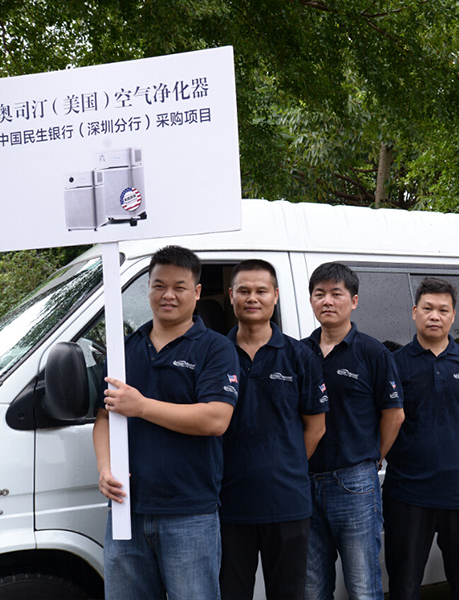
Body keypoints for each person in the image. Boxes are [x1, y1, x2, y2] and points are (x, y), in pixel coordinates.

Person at [93, 245, 239, 600]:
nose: (168, 295)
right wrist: (105, 468)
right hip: (127, 510)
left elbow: (216, 419)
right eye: (159, 285)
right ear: (148, 288)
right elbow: (104, 416)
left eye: (179, 287)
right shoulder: (125, 348)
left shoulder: (215, 348)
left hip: (189, 512)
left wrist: (142, 406)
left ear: (197, 292)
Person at [220, 259, 329, 600]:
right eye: (244, 291)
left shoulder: (299, 356)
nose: (252, 298)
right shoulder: (215, 353)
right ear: (231, 295)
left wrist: (286, 463)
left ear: (276, 296)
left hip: (287, 503)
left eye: (261, 291)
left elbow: (316, 426)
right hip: (227, 504)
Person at [382, 276, 459, 600]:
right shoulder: (394, 364)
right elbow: (386, 420)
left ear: (453, 315)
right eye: (428, 308)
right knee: (404, 586)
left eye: (443, 310)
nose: (435, 316)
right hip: (407, 494)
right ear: (414, 312)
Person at [302, 262, 405, 600]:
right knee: (312, 587)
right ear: (311, 300)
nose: (327, 301)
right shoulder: (299, 352)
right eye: (319, 294)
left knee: (362, 587)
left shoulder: (372, 352)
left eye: (336, 294)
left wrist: (375, 457)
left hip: (354, 483)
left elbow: (394, 415)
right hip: (304, 481)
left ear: (354, 301)